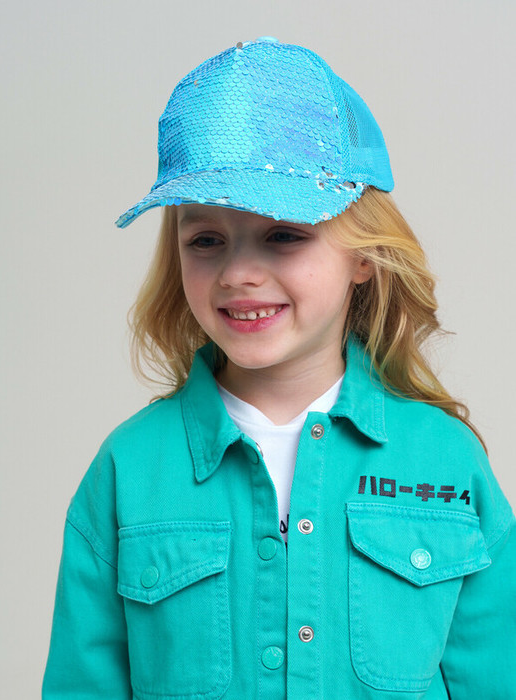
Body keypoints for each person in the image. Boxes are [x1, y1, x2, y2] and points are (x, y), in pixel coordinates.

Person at [42, 37, 516, 699]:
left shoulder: (445, 459)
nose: (238, 272)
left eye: (284, 234)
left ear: (363, 256)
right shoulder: (129, 468)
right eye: (206, 239)